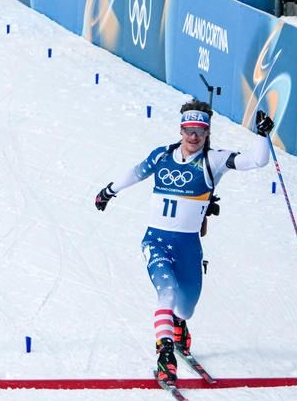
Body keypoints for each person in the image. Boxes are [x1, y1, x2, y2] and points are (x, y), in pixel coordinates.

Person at [94, 102, 273, 385]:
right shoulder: (162, 155)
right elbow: (136, 172)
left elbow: (256, 161)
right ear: (181, 130)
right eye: (189, 130)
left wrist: (263, 136)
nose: (193, 137)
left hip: (188, 247)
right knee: (167, 293)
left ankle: (179, 323)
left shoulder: (213, 160)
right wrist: (109, 191)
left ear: (206, 133)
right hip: (156, 241)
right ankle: (165, 356)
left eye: (199, 131)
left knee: (185, 307)